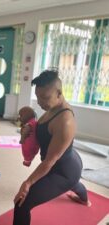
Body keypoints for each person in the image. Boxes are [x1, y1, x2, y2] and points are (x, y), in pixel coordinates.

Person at [13, 70, 91, 225]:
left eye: (45, 97)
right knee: (75, 184)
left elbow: (49, 161)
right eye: (38, 96)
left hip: (64, 171)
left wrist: (27, 183)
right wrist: (29, 128)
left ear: (59, 93)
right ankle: (85, 200)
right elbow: (41, 131)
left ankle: (82, 196)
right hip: (69, 162)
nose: (40, 102)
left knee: (21, 203)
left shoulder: (65, 121)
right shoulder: (51, 107)